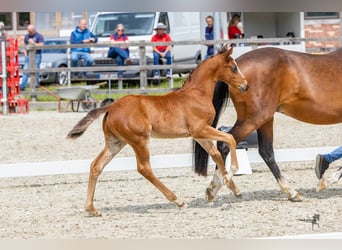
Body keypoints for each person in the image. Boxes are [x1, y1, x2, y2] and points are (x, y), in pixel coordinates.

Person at [20, 24, 44, 91]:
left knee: (35, 69)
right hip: (28, 55)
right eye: (28, 31)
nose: (29, 33)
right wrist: (25, 54)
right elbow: (25, 45)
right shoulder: (27, 36)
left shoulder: (39, 36)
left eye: (30, 31)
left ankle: (35, 85)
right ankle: (22, 86)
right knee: (26, 70)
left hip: (37, 55)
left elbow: (41, 45)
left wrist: (33, 43)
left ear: (33, 30)